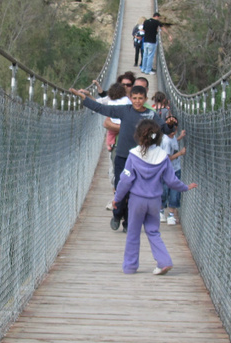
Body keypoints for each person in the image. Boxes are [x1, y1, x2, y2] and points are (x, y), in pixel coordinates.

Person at [113, 119, 196, 275]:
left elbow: (125, 180)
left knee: (133, 232)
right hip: (154, 201)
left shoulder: (133, 155)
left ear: (138, 136)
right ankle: (164, 261)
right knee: (153, 231)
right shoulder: (163, 157)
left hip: (137, 200)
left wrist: (117, 199)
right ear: (158, 137)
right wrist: (185, 187)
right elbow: (171, 180)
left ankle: (130, 266)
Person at [70, 84, 157, 232]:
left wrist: (170, 126)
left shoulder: (150, 113)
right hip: (122, 155)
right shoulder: (124, 110)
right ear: (130, 98)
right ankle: (117, 215)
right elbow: (103, 109)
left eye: (140, 98)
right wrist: (85, 99)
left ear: (145, 98)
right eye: (134, 98)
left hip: (140, 158)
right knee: (121, 188)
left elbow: (163, 128)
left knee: (135, 191)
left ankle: (128, 222)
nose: (137, 101)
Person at [159, 116, 186, 225]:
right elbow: (167, 159)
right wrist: (180, 153)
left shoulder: (171, 136)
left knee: (175, 192)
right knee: (164, 191)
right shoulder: (165, 141)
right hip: (166, 170)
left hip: (176, 169)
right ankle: (160, 212)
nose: (173, 133)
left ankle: (171, 215)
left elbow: (173, 141)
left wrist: (180, 137)